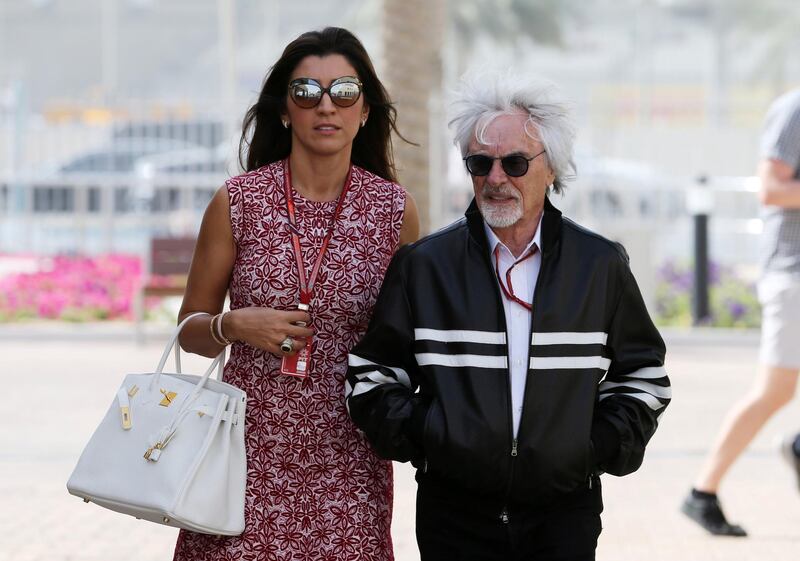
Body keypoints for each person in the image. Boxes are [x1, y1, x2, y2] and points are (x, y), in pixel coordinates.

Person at [345, 70, 671, 561]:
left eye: (515, 162)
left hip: (563, 515)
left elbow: (644, 377)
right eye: (481, 163)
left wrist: (587, 449)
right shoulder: (424, 267)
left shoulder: (599, 265)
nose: (496, 178)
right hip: (452, 515)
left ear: (552, 168)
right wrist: (435, 440)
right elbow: (371, 377)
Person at [171, 27, 419, 561]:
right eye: (306, 92)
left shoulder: (395, 211)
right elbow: (190, 329)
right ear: (285, 110)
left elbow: (411, 341)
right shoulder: (238, 202)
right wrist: (232, 325)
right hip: (243, 452)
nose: (325, 106)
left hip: (350, 456)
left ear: (366, 109)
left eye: (344, 92)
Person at [682, 88, 800, 537]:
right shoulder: (796, 109)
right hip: (793, 274)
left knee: (778, 391)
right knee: (773, 391)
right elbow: (771, 188)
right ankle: (701, 492)